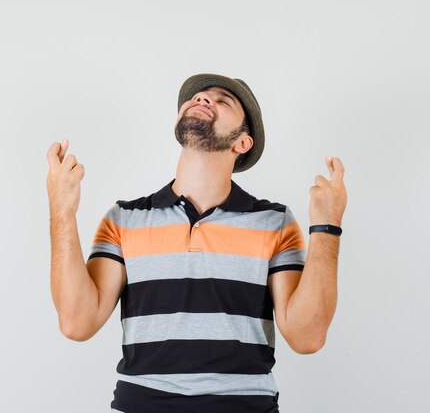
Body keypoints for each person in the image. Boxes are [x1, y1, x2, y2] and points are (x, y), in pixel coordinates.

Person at [46, 73, 348, 413]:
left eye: (223, 101)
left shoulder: (274, 222)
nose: (203, 99)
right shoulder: (124, 219)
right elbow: (76, 323)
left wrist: (327, 224)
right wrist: (62, 210)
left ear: (243, 143)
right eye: (198, 96)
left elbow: (307, 338)